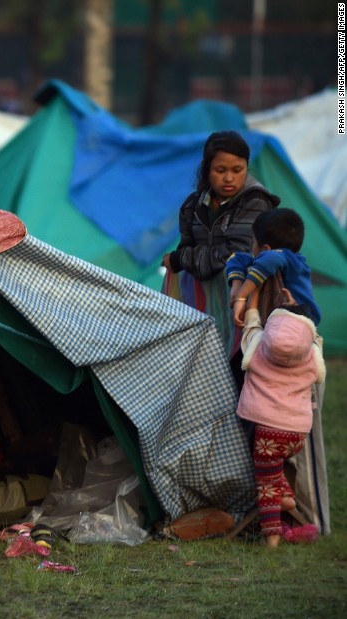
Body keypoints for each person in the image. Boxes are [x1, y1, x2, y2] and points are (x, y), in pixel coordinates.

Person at [161, 130, 281, 365]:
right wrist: (183, 258)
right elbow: (187, 246)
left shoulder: (255, 202)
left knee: (242, 368)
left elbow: (234, 254)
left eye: (237, 170)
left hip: (245, 305)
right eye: (220, 170)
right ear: (207, 169)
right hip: (205, 309)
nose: (229, 178)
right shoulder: (192, 207)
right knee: (201, 368)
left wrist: (179, 259)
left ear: (247, 167)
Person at [235, 288, 325, 547]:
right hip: (297, 432)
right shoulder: (311, 351)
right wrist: (296, 310)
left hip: (267, 431)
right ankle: (286, 497)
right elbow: (312, 336)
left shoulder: (259, 345)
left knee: (266, 484)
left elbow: (251, 323)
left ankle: (272, 537)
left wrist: (250, 300)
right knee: (273, 466)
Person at [227, 208, 321, 328]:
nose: (252, 246)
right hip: (274, 322)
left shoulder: (285, 259)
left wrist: (241, 297)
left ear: (265, 249)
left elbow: (271, 258)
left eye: (254, 242)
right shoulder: (280, 257)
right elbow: (237, 258)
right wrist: (237, 286)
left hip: (301, 322)